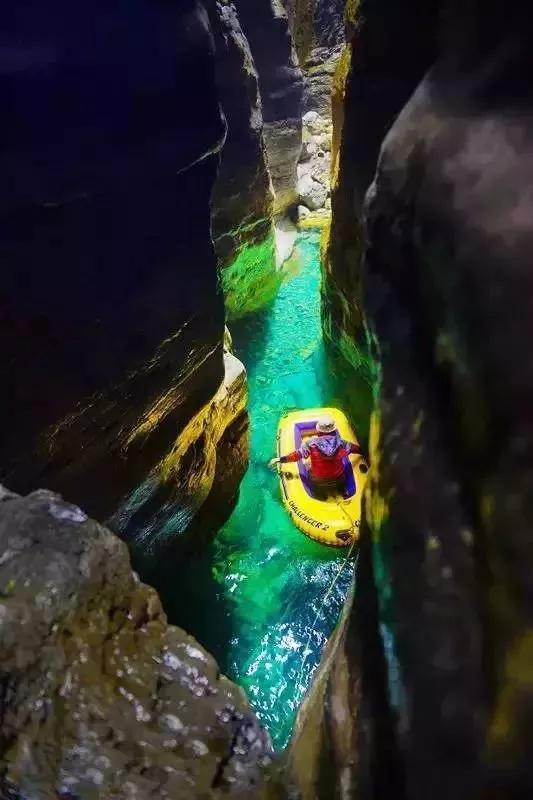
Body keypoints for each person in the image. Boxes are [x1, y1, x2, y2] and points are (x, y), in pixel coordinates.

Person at [269, 414, 362, 498]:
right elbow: (356, 449)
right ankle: (342, 490)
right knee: (340, 468)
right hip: (339, 479)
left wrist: (280, 459)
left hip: (319, 482)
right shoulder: (342, 443)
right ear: (334, 430)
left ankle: (320, 495)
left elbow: (296, 456)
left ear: (319, 431)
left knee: (308, 465)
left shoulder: (311, 444)